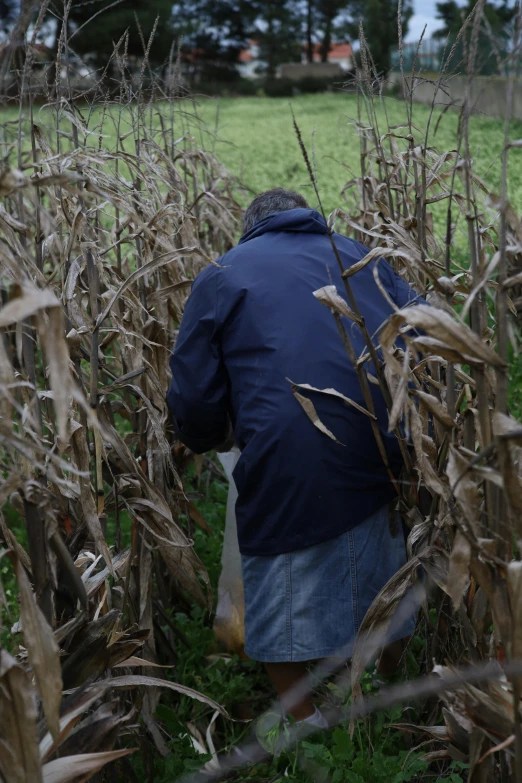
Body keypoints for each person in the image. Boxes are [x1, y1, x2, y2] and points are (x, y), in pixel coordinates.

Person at [167, 188, 421, 729]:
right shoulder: (360, 255)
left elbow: (192, 401)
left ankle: (308, 731)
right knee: (385, 592)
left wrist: (215, 435)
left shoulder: (223, 273)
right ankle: (383, 709)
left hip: (291, 456)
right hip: (389, 446)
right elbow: (427, 335)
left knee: (276, 623)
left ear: (250, 228)